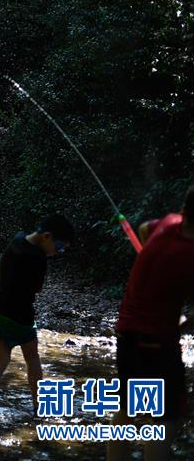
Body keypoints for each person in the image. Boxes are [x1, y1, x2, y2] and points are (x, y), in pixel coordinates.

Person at [107, 185, 194, 461]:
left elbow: (144, 228)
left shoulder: (169, 221)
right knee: (166, 418)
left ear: (184, 210)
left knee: (127, 406)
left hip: (126, 332)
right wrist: (181, 326)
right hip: (157, 342)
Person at [0, 213, 75, 416]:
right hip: (21, 316)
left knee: (1, 361)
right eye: (59, 247)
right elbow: (36, 289)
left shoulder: (17, 239)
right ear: (47, 237)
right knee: (32, 359)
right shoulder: (38, 258)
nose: (58, 252)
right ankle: (39, 407)